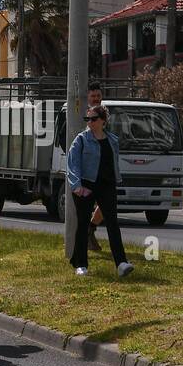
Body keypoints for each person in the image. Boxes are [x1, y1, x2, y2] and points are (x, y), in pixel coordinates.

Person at [69, 103, 132, 278]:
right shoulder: (81, 140)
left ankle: (121, 263)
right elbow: (72, 165)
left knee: (113, 222)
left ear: (103, 121)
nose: (90, 122)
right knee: (82, 225)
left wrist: (117, 180)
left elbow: (114, 162)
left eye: (93, 119)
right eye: (87, 119)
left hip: (107, 185)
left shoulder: (113, 140)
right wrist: (77, 186)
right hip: (86, 186)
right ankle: (80, 264)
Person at [85, 83, 106, 252]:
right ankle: (82, 240)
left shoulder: (105, 115)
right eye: (93, 96)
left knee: (106, 203)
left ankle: (90, 229)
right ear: (87, 97)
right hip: (86, 170)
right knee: (84, 206)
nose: (96, 99)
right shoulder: (81, 115)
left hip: (102, 170)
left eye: (98, 96)